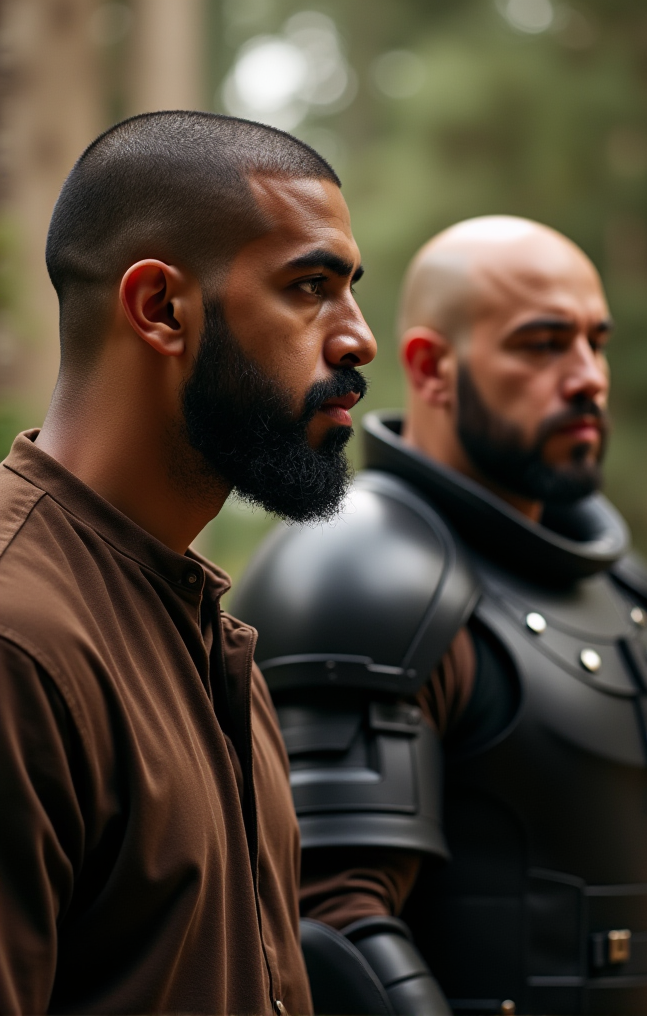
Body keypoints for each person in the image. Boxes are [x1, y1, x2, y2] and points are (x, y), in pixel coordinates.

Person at [232, 216, 647, 1016]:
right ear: (432, 368)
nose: (589, 378)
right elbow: (328, 923)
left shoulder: (633, 596)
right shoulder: (355, 574)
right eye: (543, 344)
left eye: (595, 342)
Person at [0, 111, 376, 1015]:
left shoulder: (208, 635)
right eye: (310, 286)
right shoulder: (21, 640)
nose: (358, 337)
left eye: (351, 288)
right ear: (161, 309)